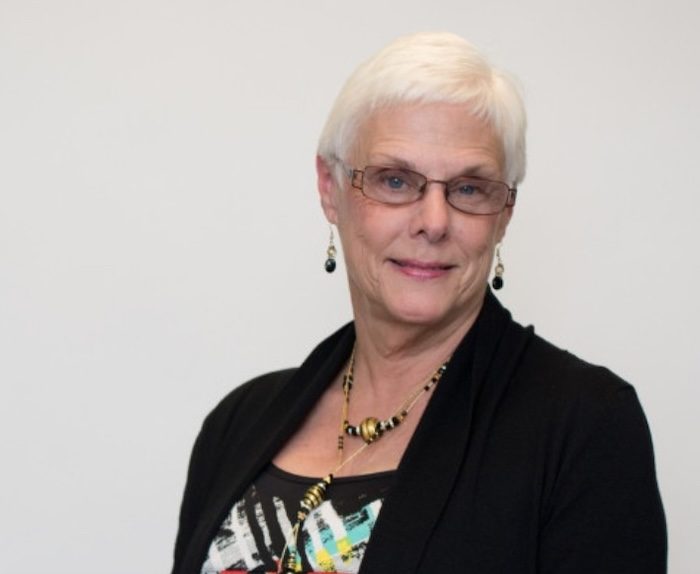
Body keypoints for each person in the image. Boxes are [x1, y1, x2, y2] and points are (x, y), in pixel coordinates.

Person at [171, 32, 666, 574]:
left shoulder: (584, 428)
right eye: (395, 180)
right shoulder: (238, 423)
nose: (434, 222)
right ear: (330, 188)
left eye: (469, 189)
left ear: (504, 214)